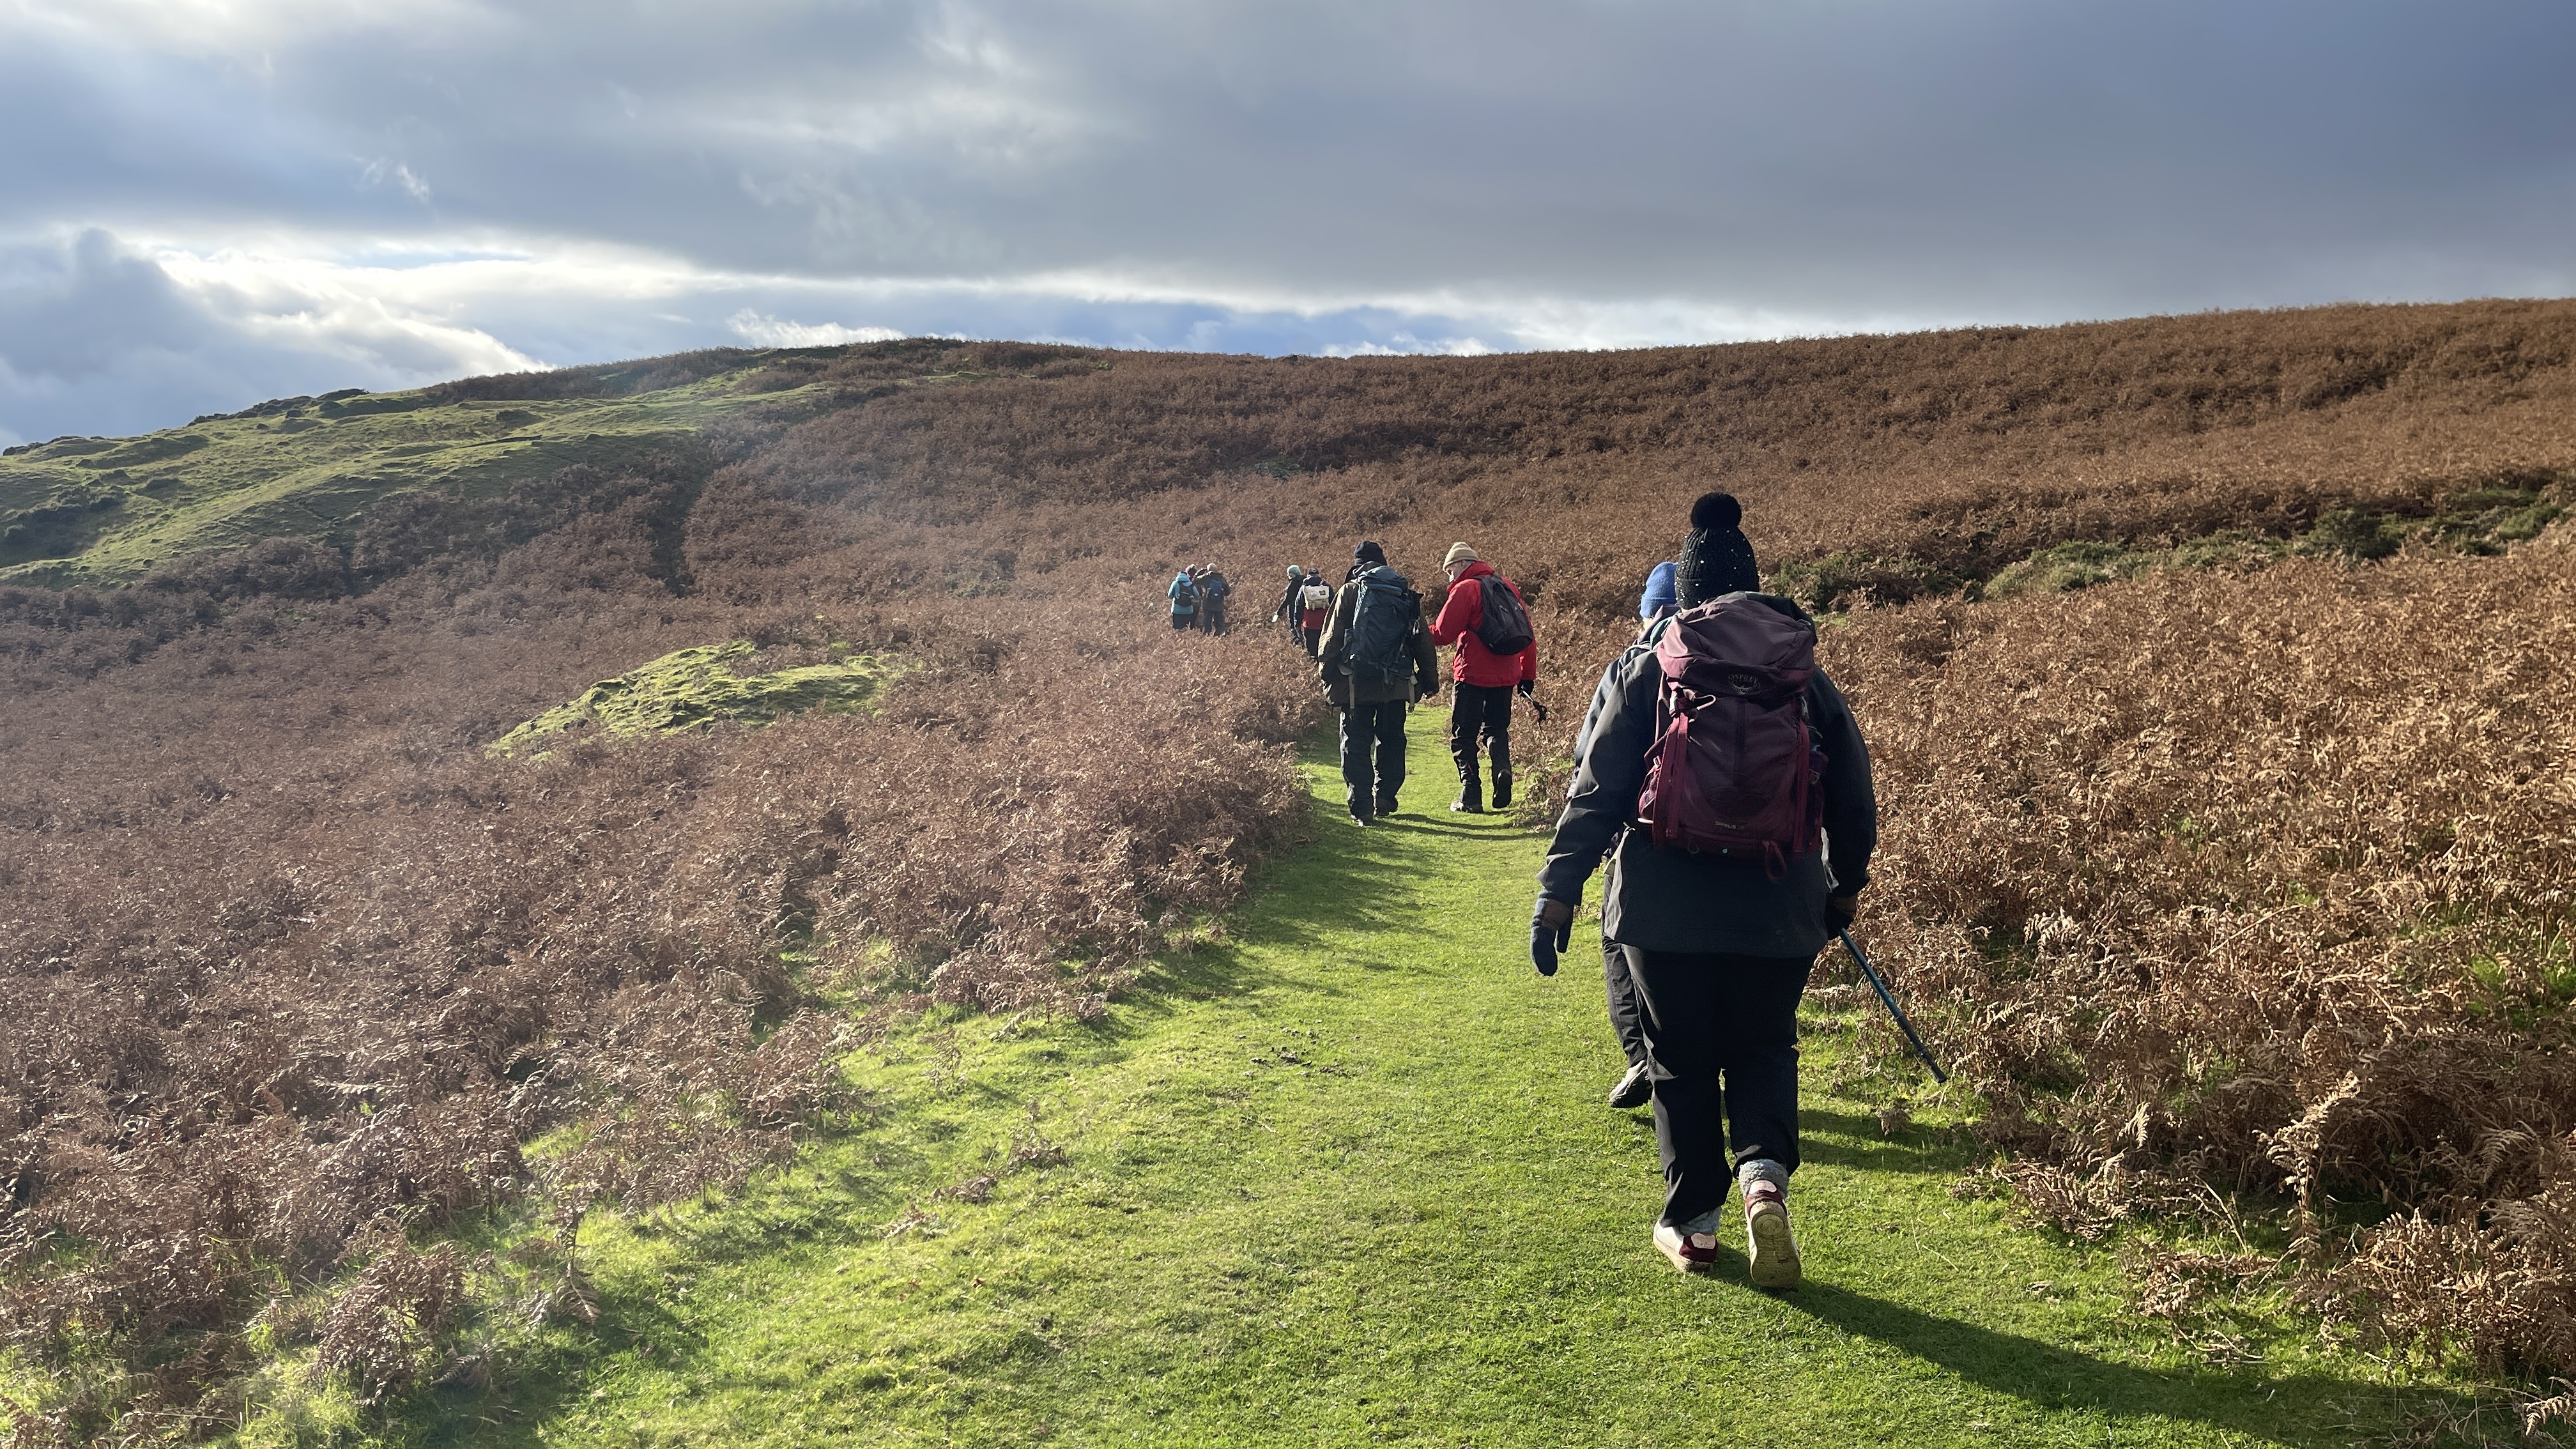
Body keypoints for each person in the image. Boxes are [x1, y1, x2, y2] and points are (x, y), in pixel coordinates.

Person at [1531, 493, 1876, 1289]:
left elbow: (1596, 790)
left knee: (1679, 1059)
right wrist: (1843, 887)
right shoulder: (1803, 672)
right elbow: (1854, 795)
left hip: (1663, 904)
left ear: (1685, 591)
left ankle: (1694, 1226)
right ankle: (1763, 1182)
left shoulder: (1650, 662)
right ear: (1755, 582)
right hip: (1781, 899)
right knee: (1765, 1044)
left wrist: (1559, 890)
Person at [1590, 559, 1682, 1113]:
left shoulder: (1634, 664)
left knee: (1616, 935)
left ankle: (1641, 1057)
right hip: (1758, 848)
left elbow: (1592, 760)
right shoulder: (1762, 659)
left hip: (1649, 841)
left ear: (1649, 612)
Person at [1316, 540, 1439, 826]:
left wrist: (1327, 675)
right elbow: (1422, 640)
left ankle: (1362, 807)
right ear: (1384, 563)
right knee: (1392, 739)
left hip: (1356, 684)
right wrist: (1429, 680)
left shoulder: (1350, 591)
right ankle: (1385, 796)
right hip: (1396, 684)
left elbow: (1331, 639)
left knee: (1356, 743)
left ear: (1357, 565)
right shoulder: (1405, 594)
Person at [1427, 542, 1537, 814]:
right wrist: (1527, 675)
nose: (1449, 577)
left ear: (1463, 564)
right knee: (1496, 730)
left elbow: (1442, 634)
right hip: (1506, 675)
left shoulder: (1466, 590)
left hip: (1472, 675)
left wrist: (1416, 632)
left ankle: (1470, 795)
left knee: (1464, 736)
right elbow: (1527, 633)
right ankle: (1502, 769)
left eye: (1450, 570)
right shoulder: (1507, 587)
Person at [1296, 567, 1331, 657]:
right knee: (1324, 645)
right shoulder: (1326, 587)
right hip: (1324, 622)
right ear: (1318, 575)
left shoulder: (1304, 588)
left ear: (1308, 576)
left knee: (1311, 648)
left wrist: (1297, 623)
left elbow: (1299, 606)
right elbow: (1334, 604)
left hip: (1309, 623)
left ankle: (1313, 661)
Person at [1271, 565, 1308, 640]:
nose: (1288, 575)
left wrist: (1279, 611)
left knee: (1293, 626)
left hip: (1293, 607)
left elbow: (1288, 599)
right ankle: (1304, 641)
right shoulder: (1305, 581)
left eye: (1289, 573)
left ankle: (1298, 641)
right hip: (1305, 607)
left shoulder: (1293, 583)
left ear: (1293, 574)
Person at [1199, 564, 1231, 634]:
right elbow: (1228, 592)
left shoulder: (1207, 577)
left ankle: (1207, 634)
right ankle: (1219, 634)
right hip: (1219, 604)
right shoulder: (1222, 579)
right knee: (1219, 621)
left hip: (1208, 604)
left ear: (1208, 570)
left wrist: (1200, 572)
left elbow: (1196, 580)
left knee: (1207, 620)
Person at [1167, 567, 1199, 631]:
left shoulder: (1175, 583)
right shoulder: (1191, 584)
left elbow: (1170, 596)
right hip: (1188, 610)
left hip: (1177, 610)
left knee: (1177, 629)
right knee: (1186, 629)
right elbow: (1197, 595)